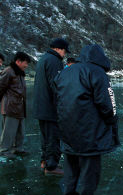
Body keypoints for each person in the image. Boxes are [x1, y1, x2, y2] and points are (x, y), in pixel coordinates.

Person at [53, 44, 119, 195]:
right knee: (90, 167)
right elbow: (107, 103)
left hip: (67, 127)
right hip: (90, 129)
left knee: (70, 164)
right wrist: (112, 120)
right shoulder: (97, 73)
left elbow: (58, 98)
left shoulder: (65, 72)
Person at [33, 38, 70, 176]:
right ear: (59, 49)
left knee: (45, 136)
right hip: (50, 108)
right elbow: (57, 85)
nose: (65, 54)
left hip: (41, 106)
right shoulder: (55, 61)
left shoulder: (43, 59)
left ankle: (45, 161)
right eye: (65, 51)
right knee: (53, 138)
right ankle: (51, 166)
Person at [0, 52, 31, 158]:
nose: (26, 65)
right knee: (8, 131)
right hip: (10, 106)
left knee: (20, 131)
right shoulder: (9, 71)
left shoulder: (19, 73)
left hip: (19, 107)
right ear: (18, 61)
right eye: (25, 63)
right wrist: (0, 99)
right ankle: (4, 150)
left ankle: (18, 148)